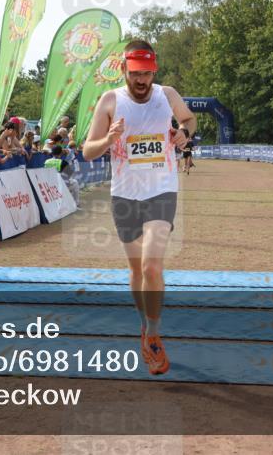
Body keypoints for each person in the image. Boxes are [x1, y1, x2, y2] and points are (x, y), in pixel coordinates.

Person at [82, 40, 195, 376]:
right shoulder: (110, 101)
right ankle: (144, 327)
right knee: (135, 271)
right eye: (135, 74)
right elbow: (88, 150)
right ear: (123, 71)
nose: (141, 80)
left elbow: (189, 119)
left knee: (151, 268)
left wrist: (184, 134)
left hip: (161, 190)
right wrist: (108, 140)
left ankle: (155, 334)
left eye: (146, 73)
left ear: (154, 70)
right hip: (125, 196)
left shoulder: (167, 95)